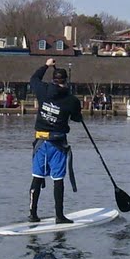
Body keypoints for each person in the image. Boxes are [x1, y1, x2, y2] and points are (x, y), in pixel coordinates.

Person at [28, 57, 83, 223]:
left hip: (39, 143)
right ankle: (59, 216)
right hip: (57, 145)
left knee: (37, 177)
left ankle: (32, 214)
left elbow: (33, 79)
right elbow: (76, 118)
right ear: (66, 81)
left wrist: (46, 65)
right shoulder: (72, 100)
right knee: (58, 180)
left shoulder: (42, 90)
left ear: (53, 80)